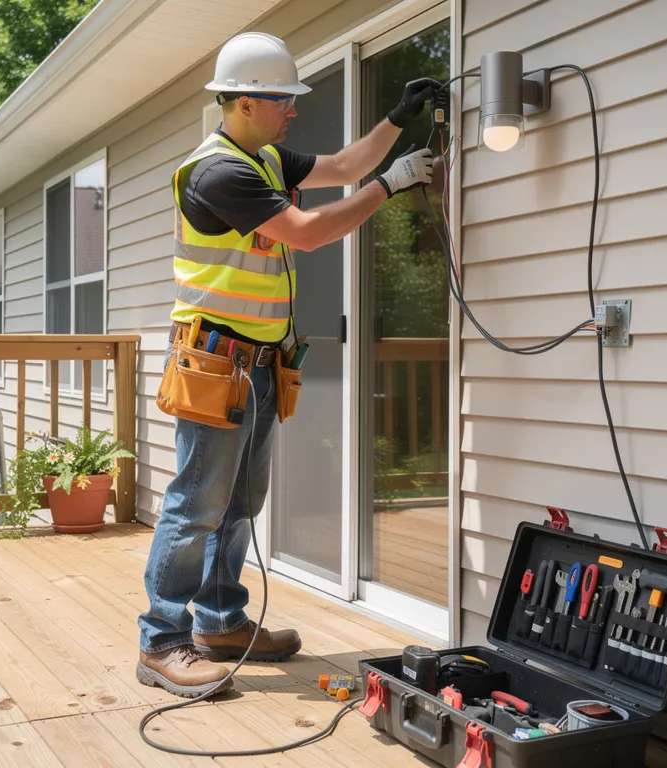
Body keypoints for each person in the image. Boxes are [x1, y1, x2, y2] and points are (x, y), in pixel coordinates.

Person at [136, 30, 440, 698]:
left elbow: (339, 167)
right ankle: (162, 642)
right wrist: (393, 185)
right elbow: (309, 232)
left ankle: (220, 622)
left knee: (241, 503)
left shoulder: (266, 157)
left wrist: (396, 117)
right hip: (216, 361)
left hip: (260, 362)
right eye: (283, 99)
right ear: (244, 102)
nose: (292, 109)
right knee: (196, 505)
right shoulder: (220, 170)